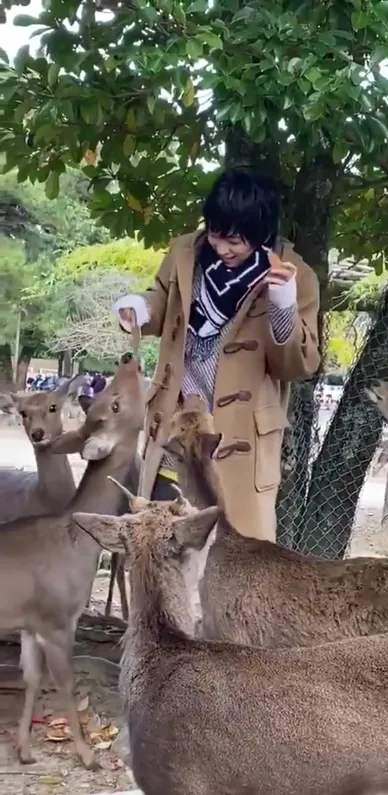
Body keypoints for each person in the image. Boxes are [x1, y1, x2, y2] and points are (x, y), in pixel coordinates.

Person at [113, 169, 320, 540]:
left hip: (241, 437)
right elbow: (160, 299)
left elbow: (299, 365)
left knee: (234, 555)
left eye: (235, 242)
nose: (222, 248)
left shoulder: (293, 276)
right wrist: (139, 309)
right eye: (215, 235)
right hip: (177, 421)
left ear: (261, 235)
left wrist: (282, 305)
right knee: (162, 539)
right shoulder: (185, 253)